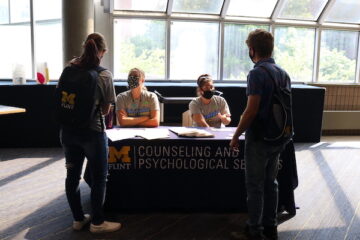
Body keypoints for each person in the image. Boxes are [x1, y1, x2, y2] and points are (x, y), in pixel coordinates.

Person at [230, 29, 292, 240]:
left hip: (259, 138)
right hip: (278, 137)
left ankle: (255, 230)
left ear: (252, 50)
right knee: (271, 183)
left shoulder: (256, 74)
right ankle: (270, 226)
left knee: (255, 186)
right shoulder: (283, 73)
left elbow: (251, 110)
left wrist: (236, 134)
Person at [59, 33, 121, 233]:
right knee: (99, 177)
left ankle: (78, 219)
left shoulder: (68, 68)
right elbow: (105, 110)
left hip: (67, 131)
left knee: (72, 176)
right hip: (92, 133)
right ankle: (97, 222)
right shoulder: (104, 75)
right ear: (102, 52)